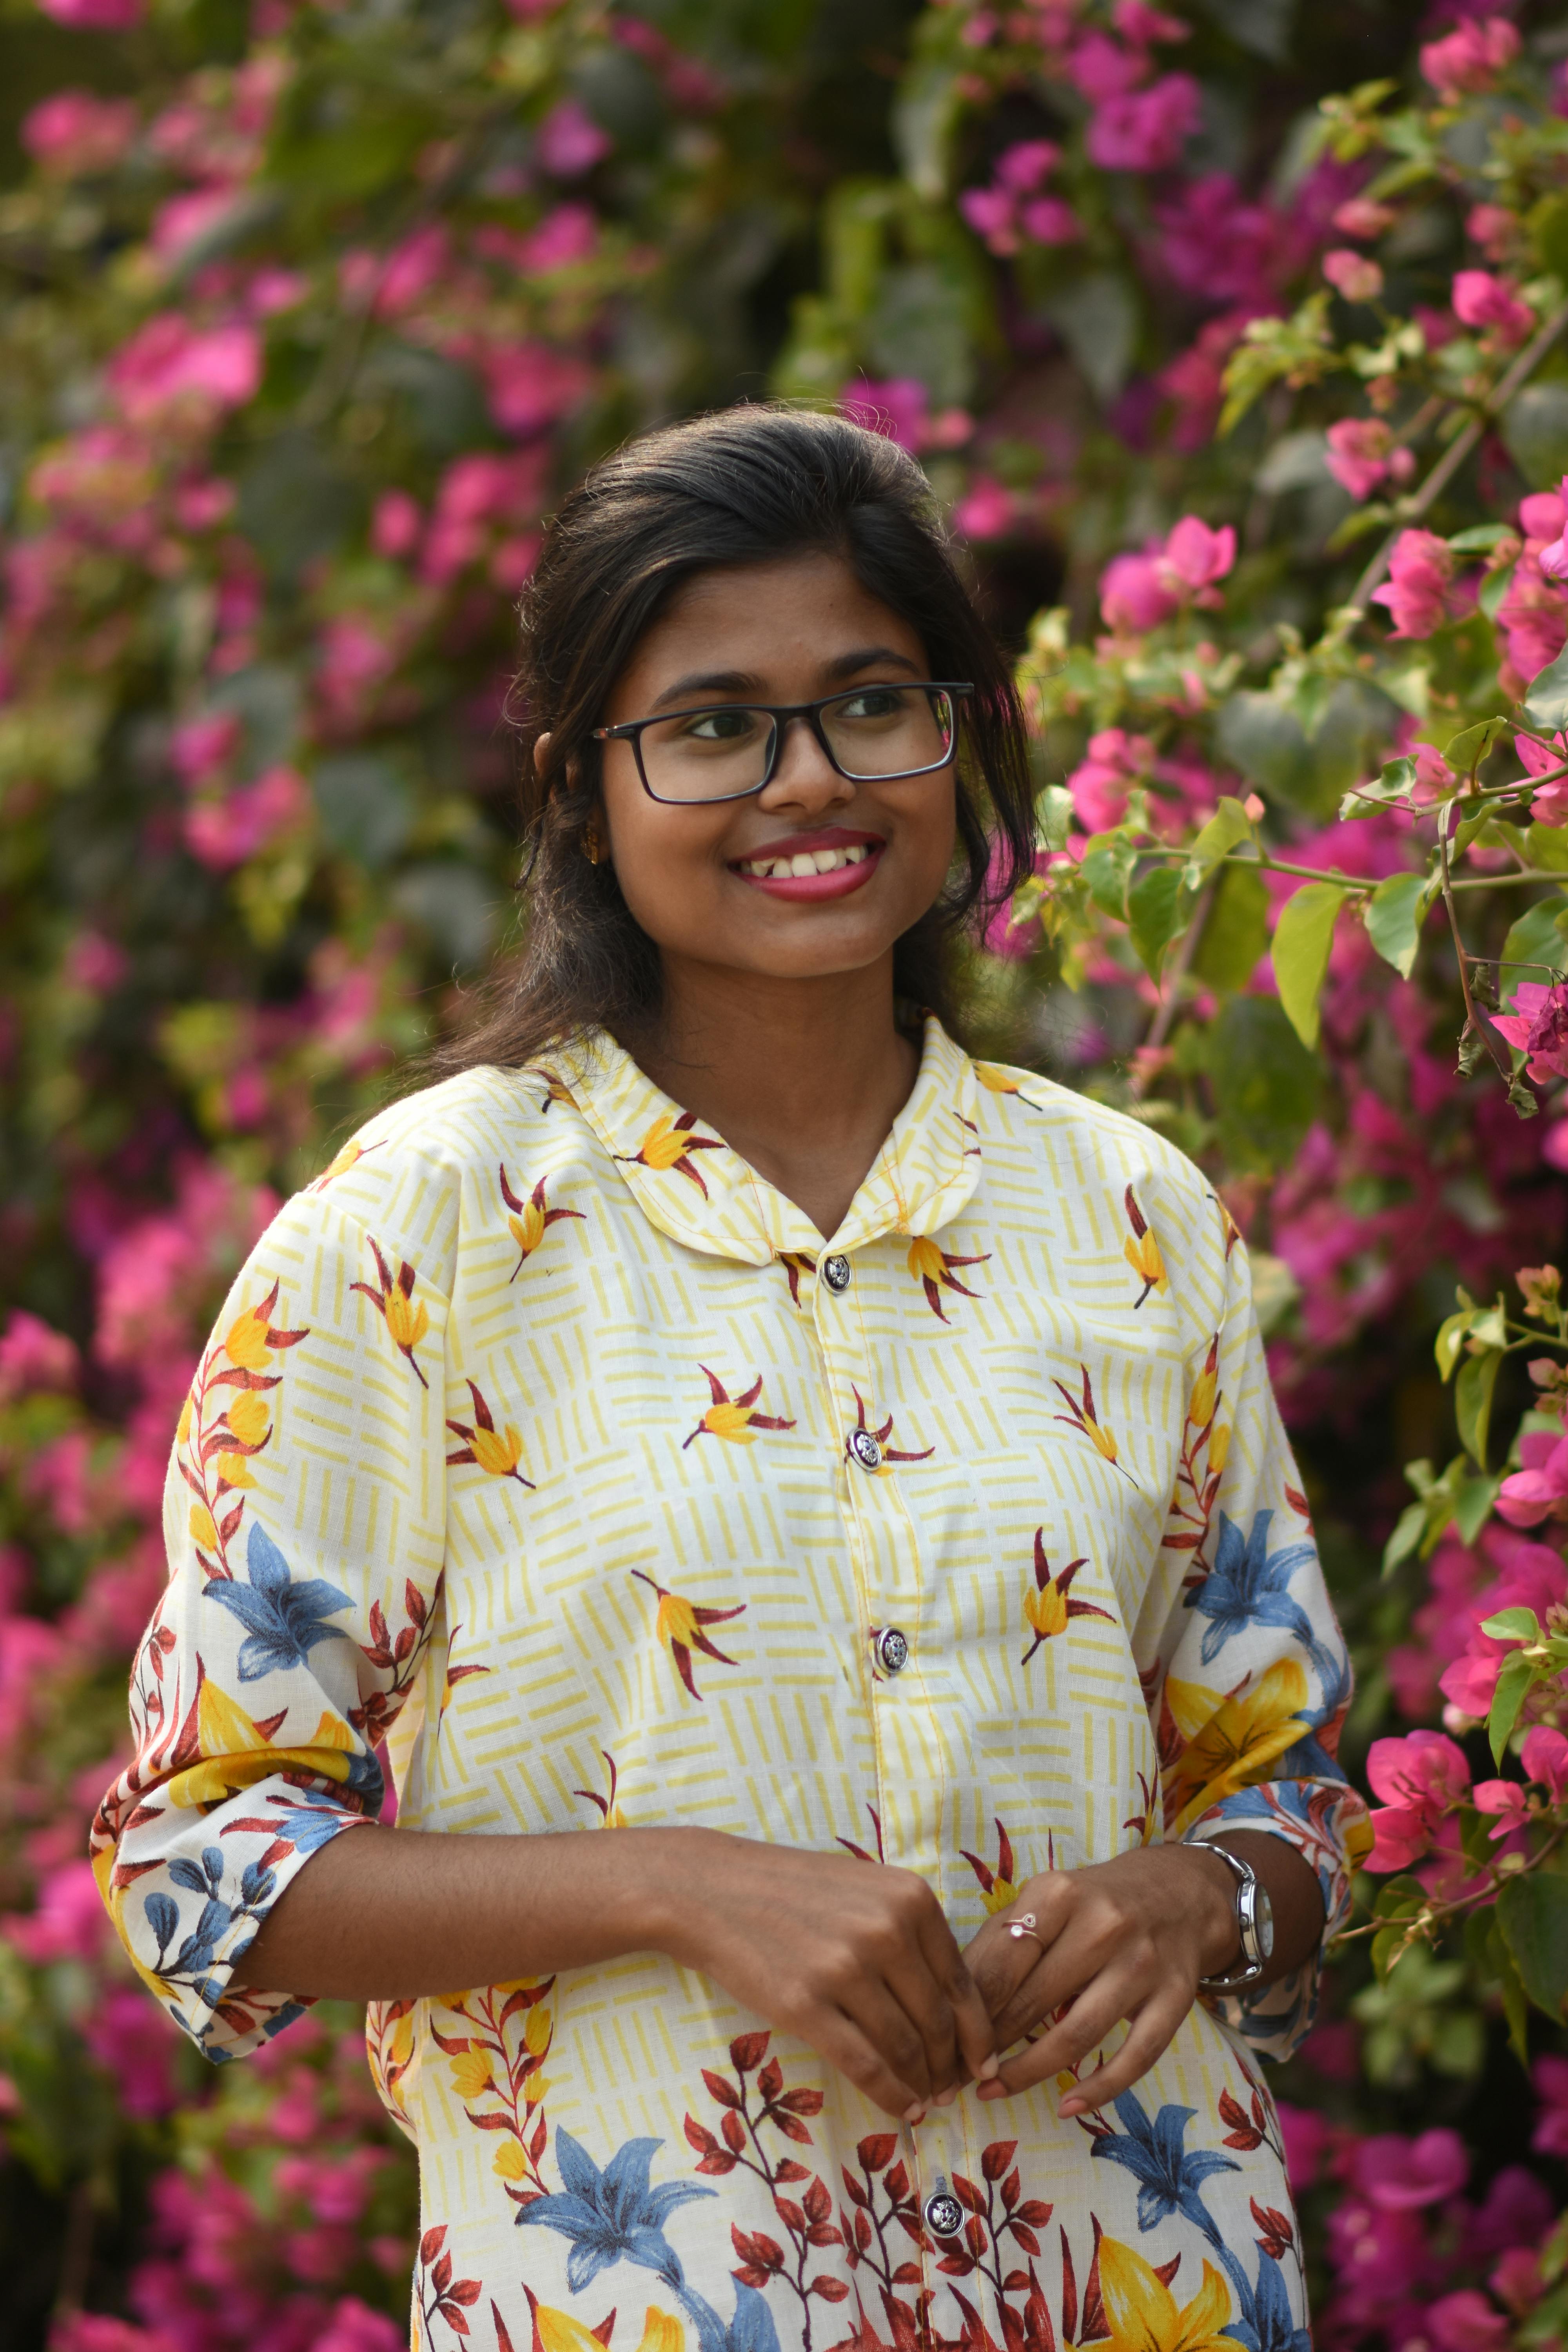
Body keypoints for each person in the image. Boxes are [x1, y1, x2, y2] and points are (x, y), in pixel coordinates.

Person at [94, 407, 1367, 2352]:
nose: (809, 783)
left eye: (872, 702)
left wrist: (1203, 1897)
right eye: (711, 725)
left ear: (966, 732)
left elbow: (1288, 1785)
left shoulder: (1130, 1215)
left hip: (1150, 2284)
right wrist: (678, 1887)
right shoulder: (419, 1230)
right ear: (576, 792)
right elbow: (204, 1870)